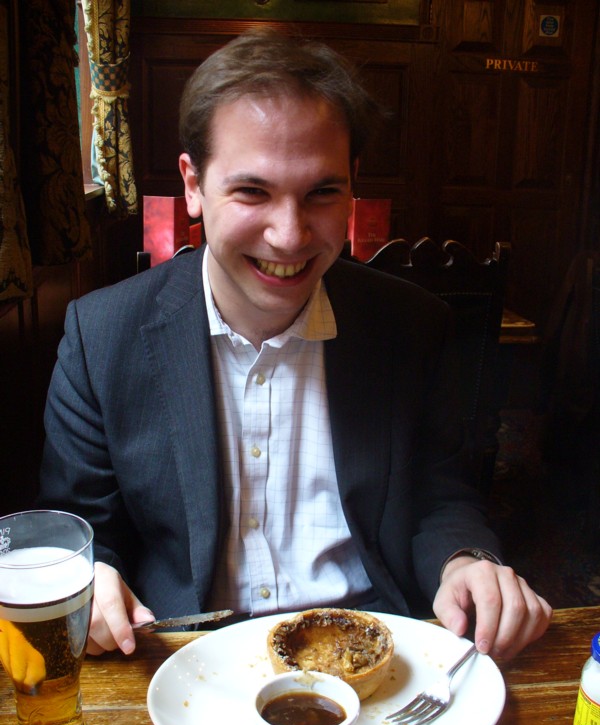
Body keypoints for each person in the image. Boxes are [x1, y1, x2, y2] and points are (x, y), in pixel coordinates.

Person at [37, 29, 551, 661]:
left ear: (353, 185)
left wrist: (465, 561)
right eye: (253, 192)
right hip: (185, 660)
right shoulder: (101, 336)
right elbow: (82, 530)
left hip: (374, 653)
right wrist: (91, 575)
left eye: (322, 193)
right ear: (193, 184)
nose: (289, 235)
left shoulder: (413, 326)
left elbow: (439, 495)